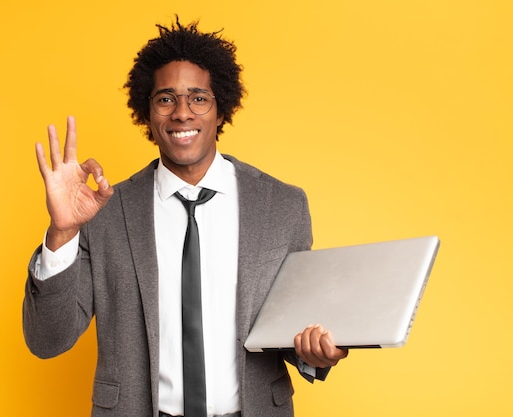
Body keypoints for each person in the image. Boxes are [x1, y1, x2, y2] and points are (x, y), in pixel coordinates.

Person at [23, 18, 348, 417]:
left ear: (220, 108)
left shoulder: (282, 206)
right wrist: (62, 231)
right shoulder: (105, 212)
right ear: (147, 111)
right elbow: (46, 340)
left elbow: (295, 330)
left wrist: (317, 354)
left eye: (198, 98)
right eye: (165, 99)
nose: (182, 113)